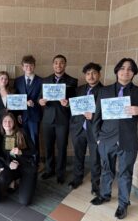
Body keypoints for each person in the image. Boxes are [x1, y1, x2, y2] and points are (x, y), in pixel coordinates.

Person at [90, 58, 138, 219]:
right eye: (123, 68)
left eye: (130, 69)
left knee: (125, 174)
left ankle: (123, 204)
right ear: (117, 71)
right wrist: (97, 138)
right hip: (106, 139)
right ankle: (104, 195)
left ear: (134, 73)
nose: (126, 71)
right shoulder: (104, 91)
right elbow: (97, 117)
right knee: (106, 170)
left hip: (128, 141)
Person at [39, 54, 78, 184]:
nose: (58, 65)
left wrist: (67, 104)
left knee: (62, 147)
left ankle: (61, 173)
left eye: (61, 63)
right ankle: (49, 170)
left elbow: (75, 102)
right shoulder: (45, 80)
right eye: (56, 63)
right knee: (48, 147)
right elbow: (39, 98)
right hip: (47, 120)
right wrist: (41, 102)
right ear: (53, 65)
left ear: (65, 65)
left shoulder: (72, 81)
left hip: (63, 119)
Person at [68, 62, 103, 195]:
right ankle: (77, 178)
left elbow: (106, 112)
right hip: (78, 128)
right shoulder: (79, 89)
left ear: (99, 74)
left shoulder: (105, 91)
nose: (91, 76)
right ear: (85, 75)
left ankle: (95, 184)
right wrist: (67, 105)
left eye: (94, 73)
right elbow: (74, 107)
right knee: (78, 155)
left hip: (95, 130)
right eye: (88, 73)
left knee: (95, 158)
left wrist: (93, 116)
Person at [0, 113, 37, 205]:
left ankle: (30, 181)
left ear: (14, 122)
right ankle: (13, 182)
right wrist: (8, 164)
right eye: (5, 121)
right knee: (2, 178)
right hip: (12, 168)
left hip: (27, 167)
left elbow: (34, 151)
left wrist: (21, 152)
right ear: (2, 123)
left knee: (25, 201)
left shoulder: (22, 132)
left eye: (10, 121)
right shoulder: (0, 137)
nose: (7, 123)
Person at [14, 55, 42, 166]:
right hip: (22, 116)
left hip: (34, 115)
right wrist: (18, 114)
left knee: (34, 139)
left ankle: (35, 162)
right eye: (26, 66)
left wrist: (34, 103)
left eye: (31, 65)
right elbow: (15, 98)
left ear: (34, 66)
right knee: (22, 139)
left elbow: (42, 96)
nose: (28, 68)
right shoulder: (18, 81)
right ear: (22, 67)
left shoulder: (41, 81)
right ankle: (25, 161)